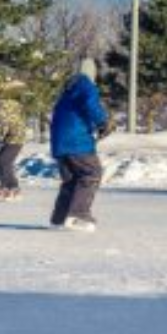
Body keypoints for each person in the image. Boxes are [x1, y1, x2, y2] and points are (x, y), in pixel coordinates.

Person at [49, 58, 112, 232]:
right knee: (91, 173)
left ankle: (59, 218)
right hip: (76, 142)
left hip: (60, 142)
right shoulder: (85, 85)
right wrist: (102, 122)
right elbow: (91, 103)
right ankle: (78, 214)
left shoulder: (68, 90)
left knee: (71, 181)